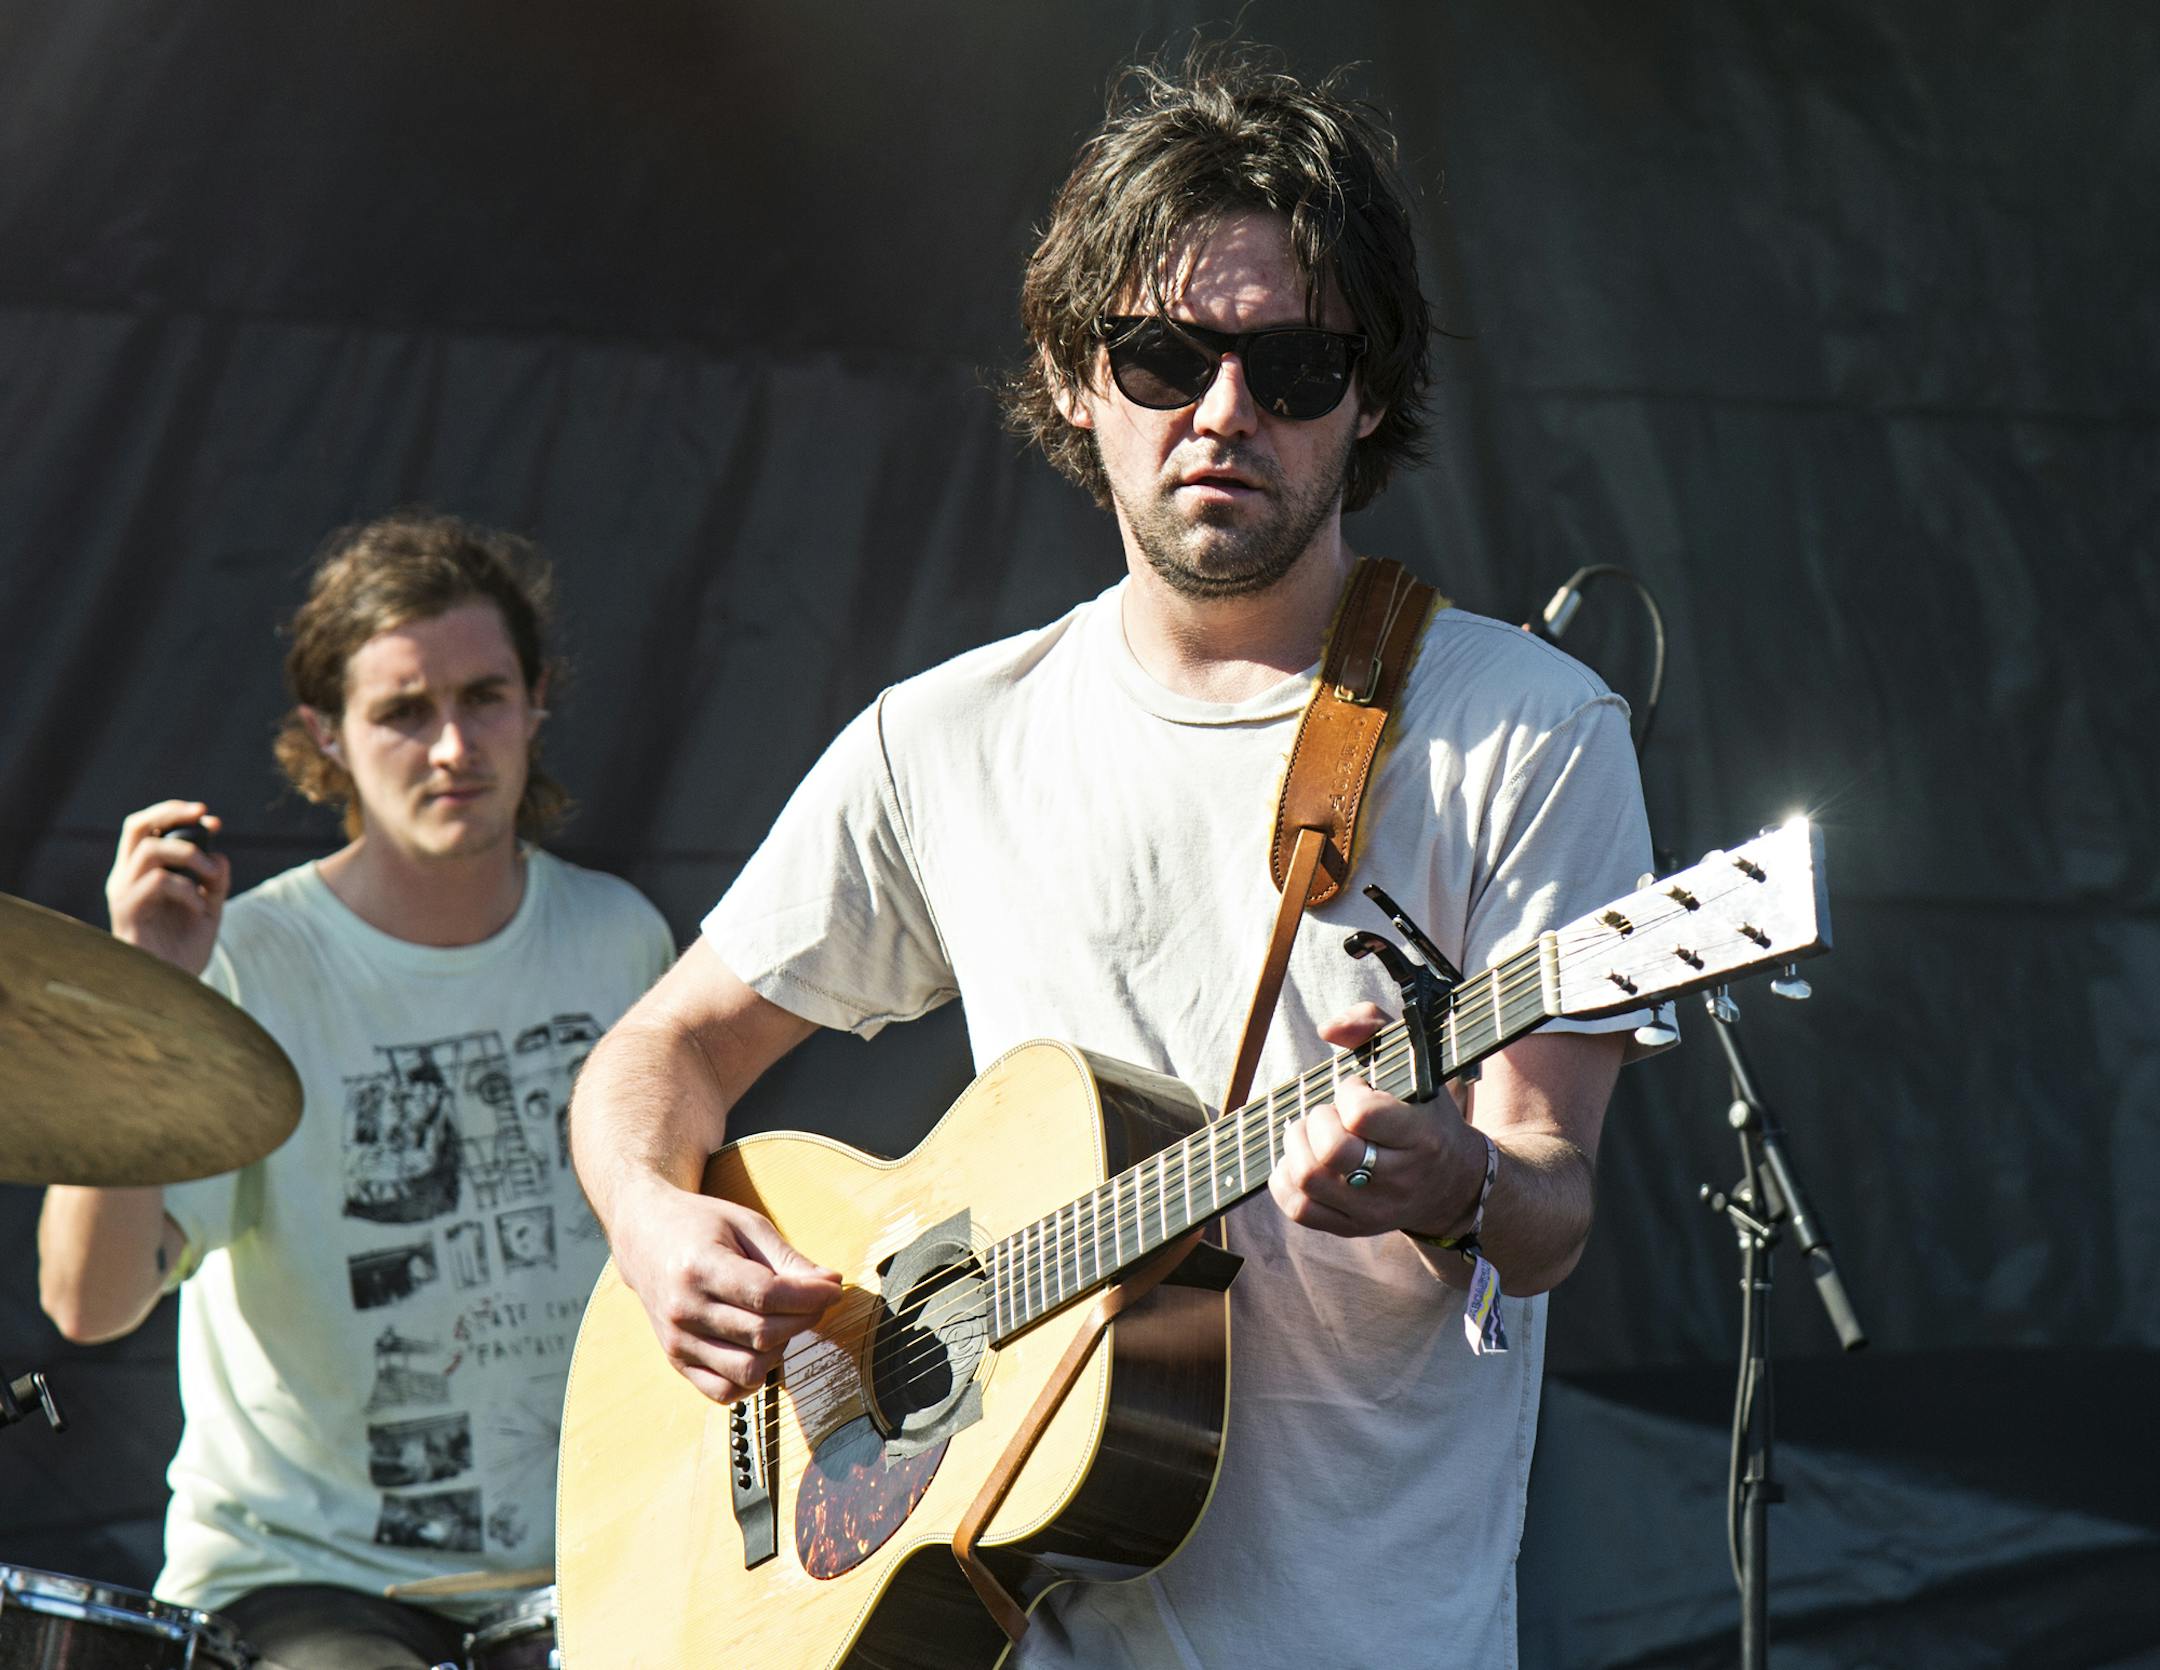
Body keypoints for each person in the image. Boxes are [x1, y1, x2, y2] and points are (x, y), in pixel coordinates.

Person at [571, 45, 1660, 1670]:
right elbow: (658, 1054)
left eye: (1292, 369)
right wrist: (657, 1226)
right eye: (1165, 357)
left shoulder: (1527, 729)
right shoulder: (942, 740)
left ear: (1367, 399)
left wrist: (1462, 1182)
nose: (1225, 414)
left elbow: (1551, 1207)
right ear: (1079, 378)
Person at [38, 512, 676, 1669]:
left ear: (538, 701)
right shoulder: (250, 960)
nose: (451, 746)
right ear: (322, 735)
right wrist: (141, 999)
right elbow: (88, 1300)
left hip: (585, 1558)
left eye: (484, 696)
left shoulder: (618, 940)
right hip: (303, 1577)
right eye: (402, 710)